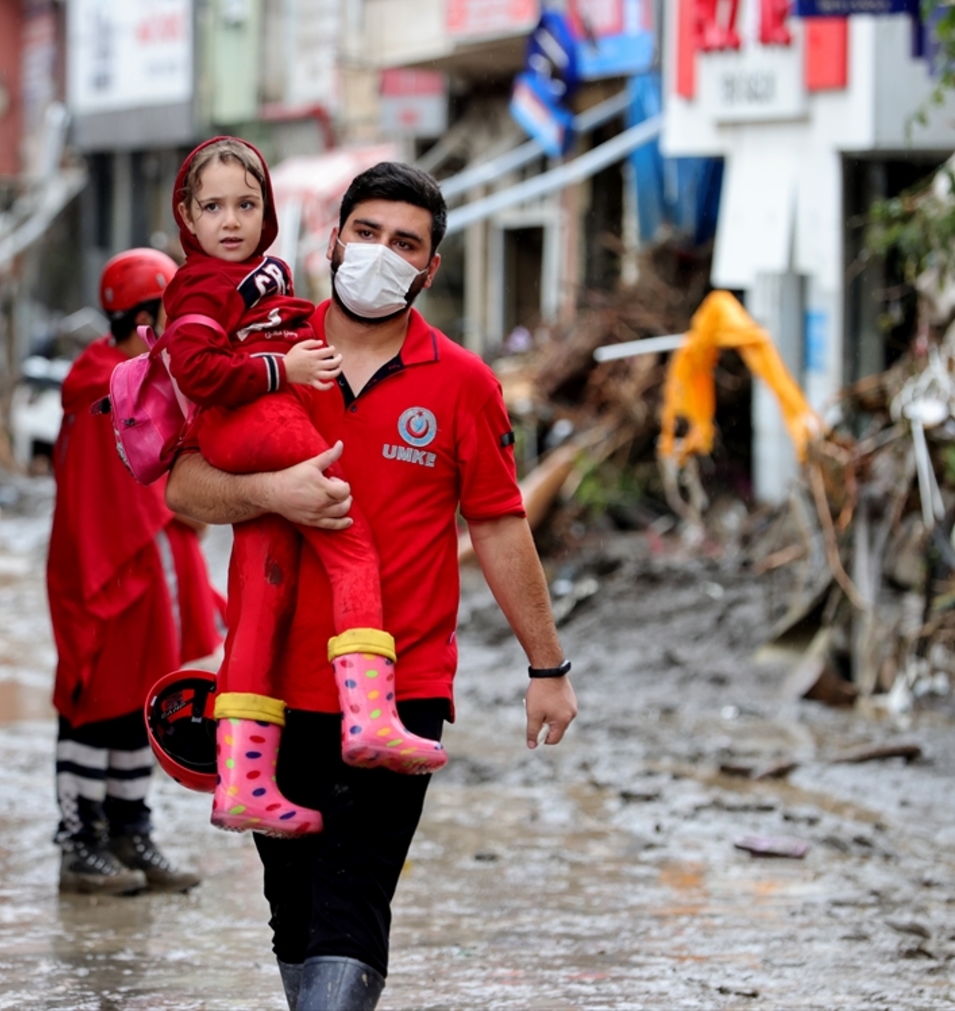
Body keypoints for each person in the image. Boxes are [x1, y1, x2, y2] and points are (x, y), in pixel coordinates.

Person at [165, 163, 579, 1009]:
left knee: (353, 897)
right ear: (333, 238)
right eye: (368, 232)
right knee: (292, 908)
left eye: (406, 244)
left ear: (429, 270)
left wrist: (547, 668)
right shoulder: (264, 352)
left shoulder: (463, 382)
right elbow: (182, 486)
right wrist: (267, 494)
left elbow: (499, 524)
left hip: (400, 692)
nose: (381, 254)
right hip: (267, 691)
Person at [161, 138, 445, 840]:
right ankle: (373, 718)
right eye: (214, 206)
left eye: (247, 205)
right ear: (187, 218)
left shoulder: (260, 274)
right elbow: (196, 370)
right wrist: (279, 373)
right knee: (348, 538)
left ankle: (243, 779)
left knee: (258, 596)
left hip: (251, 423)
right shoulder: (202, 284)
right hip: (253, 417)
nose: (232, 220)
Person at [46, 247, 224, 895]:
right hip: (112, 566)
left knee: (134, 702)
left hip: (144, 565)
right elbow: (126, 494)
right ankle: (80, 842)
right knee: (94, 699)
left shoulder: (133, 375)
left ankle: (129, 831)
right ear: (148, 313)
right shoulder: (106, 385)